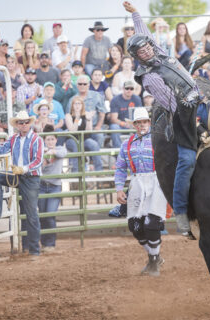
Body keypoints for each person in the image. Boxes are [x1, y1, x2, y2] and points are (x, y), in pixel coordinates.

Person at [123, 1, 210, 234]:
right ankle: (181, 212)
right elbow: (169, 101)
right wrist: (189, 116)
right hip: (182, 115)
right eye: (141, 51)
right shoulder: (149, 77)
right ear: (137, 57)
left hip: (201, 104)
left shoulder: (159, 52)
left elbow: (143, 33)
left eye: (147, 47)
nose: (146, 51)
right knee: (187, 161)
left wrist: (135, 14)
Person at [114, 107, 166, 276]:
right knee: (134, 225)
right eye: (139, 122)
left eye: (144, 122)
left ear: (149, 123)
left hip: (156, 181)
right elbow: (121, 168)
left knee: (151, 223)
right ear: (134, 125)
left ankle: (154, 260)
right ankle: (154, 257)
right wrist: (119, 188)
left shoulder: (159, 140)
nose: (142, 125)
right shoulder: (126, 144)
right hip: (137, 182)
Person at [0, 111, 44, 257]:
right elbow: (1, 150)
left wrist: (23, 169)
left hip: (30, 178)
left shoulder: (37, 139)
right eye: (20, 122)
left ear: (30, 123)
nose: (23, 125)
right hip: (18, 175)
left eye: (25, 122)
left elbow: (38, 160)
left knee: (31, 215)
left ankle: (34, 250)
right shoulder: (13, 139)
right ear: (17, 124)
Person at [38, 124, 67, 251]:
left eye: (52, 139)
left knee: (50, 214)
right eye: (48, 139)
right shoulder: (40, 151)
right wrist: (46, 157)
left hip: (55, 186)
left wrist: (51, 152)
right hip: (42, 186)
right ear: (44, 140)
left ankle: (50, 244)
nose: (50, 141)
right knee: (43, 215)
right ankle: (44, 243)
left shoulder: (60, 149)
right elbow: (39, 167)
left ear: (56, 140)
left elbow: (63, 153)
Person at [65, 95, 102, 172]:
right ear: (72, 106)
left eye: (79, 103)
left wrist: (88, 120)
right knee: (77, 145)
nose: (77, 105)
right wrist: (77, 118)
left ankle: (99, 170)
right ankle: (76, 172)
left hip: (84, 139)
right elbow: (72, 131)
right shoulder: (68, 116)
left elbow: (89, 131)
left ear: (82, 105)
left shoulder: (87, 114)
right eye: (75, 104)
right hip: (72, 140)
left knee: (94, 144)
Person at [68, 74, 106, 147]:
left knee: (99, 135)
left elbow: (102, 113)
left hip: (93, 127)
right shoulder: (72, 99)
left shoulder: (97, 96)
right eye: (80, 84)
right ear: (77, 85)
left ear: (88, 85)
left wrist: (98, 126)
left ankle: (95, 157)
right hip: (77, 129)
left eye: (85, 84)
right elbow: (69, 115)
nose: (82, 85)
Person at [109, 80, 142, 147]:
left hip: (134, 125)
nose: (129, 90)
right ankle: (118, 151)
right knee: (114, 127)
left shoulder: (137, 99)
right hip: (120, 125)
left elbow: (140, 116)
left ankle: (141, 149)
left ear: (134, 90)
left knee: (145, 127)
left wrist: (135, 124)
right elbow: (113, 119)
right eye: (127, 88)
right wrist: (124, 124)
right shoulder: (115, 100)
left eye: (131, 88)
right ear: (123, 89)